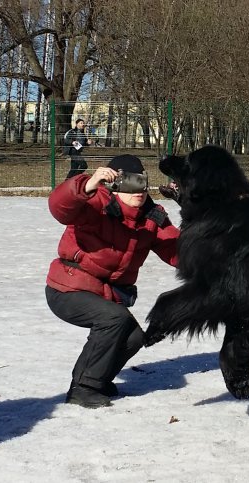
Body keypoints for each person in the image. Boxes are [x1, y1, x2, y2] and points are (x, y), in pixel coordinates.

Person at [45, 154, 179, 408]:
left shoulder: (153, 216)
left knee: (133, 336)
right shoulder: (96, 203)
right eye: (130, 181)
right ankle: (83, 388)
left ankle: (100, 380)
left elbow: (178, 252)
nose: (138, 189)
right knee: (114, 319)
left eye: (143, 181)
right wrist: (87, 183)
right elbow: (58, 207)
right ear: (115, 184)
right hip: (67, 288)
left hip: (105, 294)